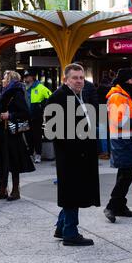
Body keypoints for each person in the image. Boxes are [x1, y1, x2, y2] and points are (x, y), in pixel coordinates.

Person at [45, 63, 100, 246]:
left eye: (81, 77)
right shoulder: (58, 98)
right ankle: (70, 232)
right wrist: (76, 148)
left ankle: (61, 227)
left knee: (73, 191)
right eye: (75, 78)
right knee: (71, 193)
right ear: (66, 80)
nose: (79, 81)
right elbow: (54, 132)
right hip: (70, 156)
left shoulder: (79, 96)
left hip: (80, 154)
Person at [103, 68, 132, 223]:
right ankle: (111, 206)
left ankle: (120, 206)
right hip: (123, 141)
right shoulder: (117, 97)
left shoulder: (129, 96)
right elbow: (118, 120)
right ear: (124, 80)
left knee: (126, 174)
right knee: (125, 174)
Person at [0, 71, 35, 201]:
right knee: (0, 160)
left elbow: (25, 112)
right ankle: (2, 190)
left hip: (11, 133)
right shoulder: (3, 91)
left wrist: (10, 115)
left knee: (14, 161)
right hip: (1, 132)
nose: (2, 79)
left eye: (4, 77)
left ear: (9, 79)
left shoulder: (16, 92)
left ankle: (15, 191)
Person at [23, 69, 52, 163]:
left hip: (36, 117)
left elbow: (51, 97)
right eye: (25, 77)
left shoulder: (40, 87)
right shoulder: (23, 88)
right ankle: (30, 153)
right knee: (27, 136)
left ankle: (38, 154)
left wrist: (42, 106)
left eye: (27, 77)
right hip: (25, 116)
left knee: (37, 136)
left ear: (32, 77)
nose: (26, 78)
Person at [96, 71, 114, 159]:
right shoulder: (112, 89)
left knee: (103, 134)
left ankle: (105, 152)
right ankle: (111, 152)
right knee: (111, 133)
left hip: (102, 111)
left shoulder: (98, 89)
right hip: (111, 111)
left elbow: (96, 101)